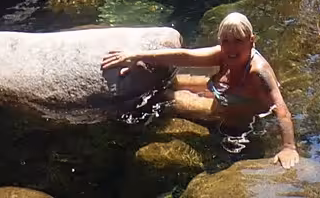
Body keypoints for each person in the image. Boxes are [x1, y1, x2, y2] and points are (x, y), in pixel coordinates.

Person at [101, 14, 299, 169]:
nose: (231, 48)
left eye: (238, 41)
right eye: (226, 41)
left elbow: (281, 110)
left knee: (168, 98)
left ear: (251, 40)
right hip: (222, 90)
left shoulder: (258, 72)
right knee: (174, 81)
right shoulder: (223, 54)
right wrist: (137, 56)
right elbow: (185, 56)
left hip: (237, 109)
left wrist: (288, 147)